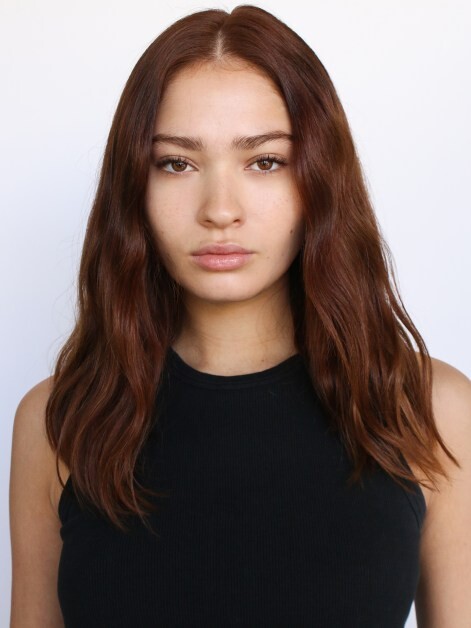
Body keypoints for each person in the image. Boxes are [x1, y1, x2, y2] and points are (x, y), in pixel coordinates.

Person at [9, 5, 471, 627]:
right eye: (177, 163)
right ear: (134, 186)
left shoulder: (429, 410)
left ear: (320, 177)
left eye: (265, 161)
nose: (220, 209)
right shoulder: (61, 420)